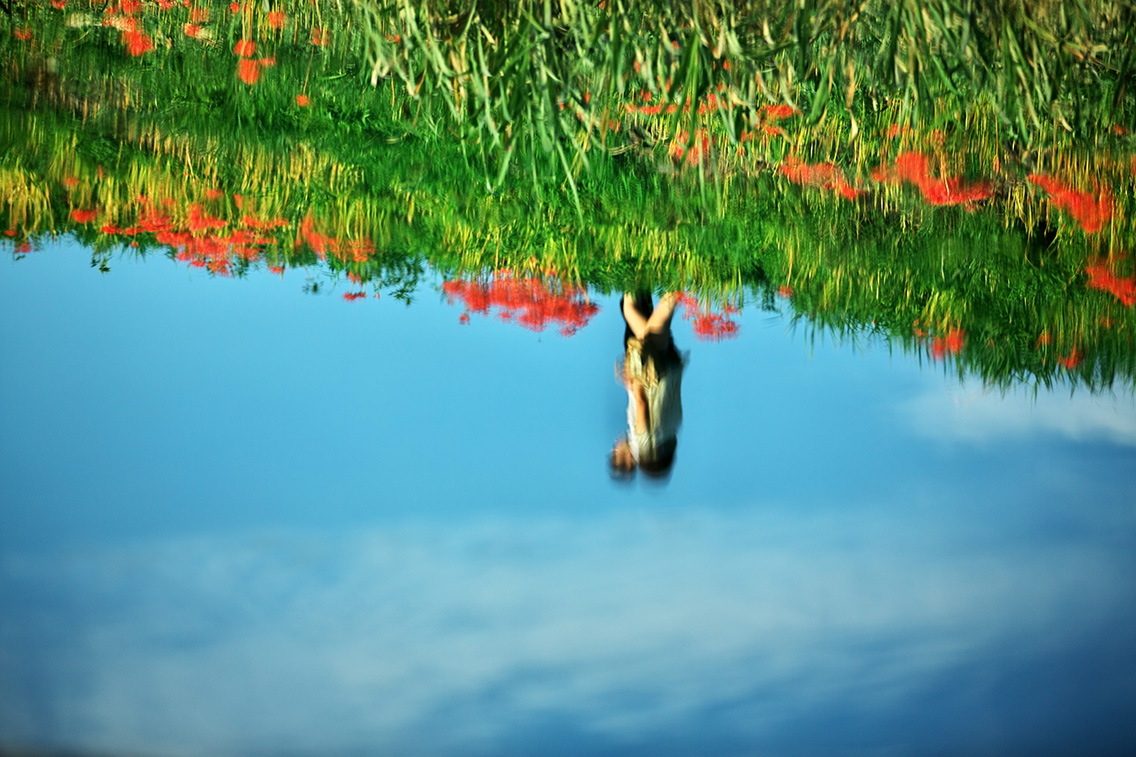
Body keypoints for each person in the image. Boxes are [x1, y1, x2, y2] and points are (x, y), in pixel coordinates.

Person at [611, 290, 686, 480]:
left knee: (658, 317)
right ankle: (687, 274)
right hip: (650, 370)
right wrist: (632, 381)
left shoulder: (672, 430)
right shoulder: (644, 446)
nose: (615, 445)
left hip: (670, 367)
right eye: (615, 451)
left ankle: (684, 274)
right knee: (630, 308)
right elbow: (643, 404)